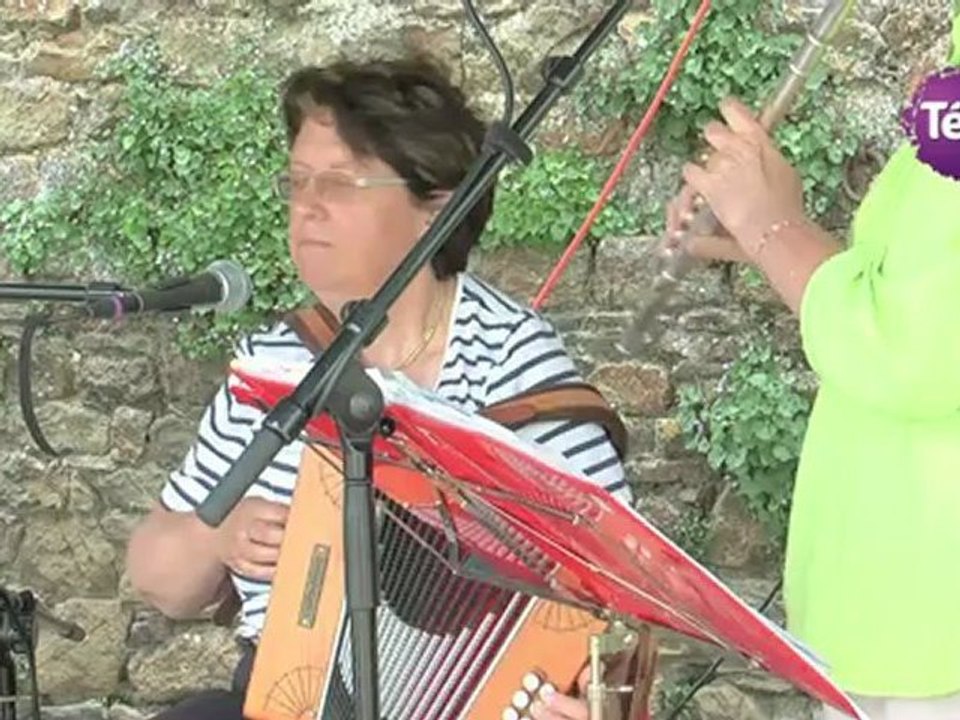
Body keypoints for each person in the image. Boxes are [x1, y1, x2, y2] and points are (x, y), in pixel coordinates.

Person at [125, 56, 628, 720]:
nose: (306, 207)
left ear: (434, 211)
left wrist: (585, 702)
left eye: (339, 183)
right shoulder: (278, 365)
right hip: (285, 701)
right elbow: (159, 579)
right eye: (297, 182)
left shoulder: (515, 365)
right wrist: (215, 538)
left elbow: (615, 607)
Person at [665, 10, 960, 720]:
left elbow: (912, 352)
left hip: (933, 629)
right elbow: (913, 297)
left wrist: (774, 226)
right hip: (894, 614)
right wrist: (757, 230)